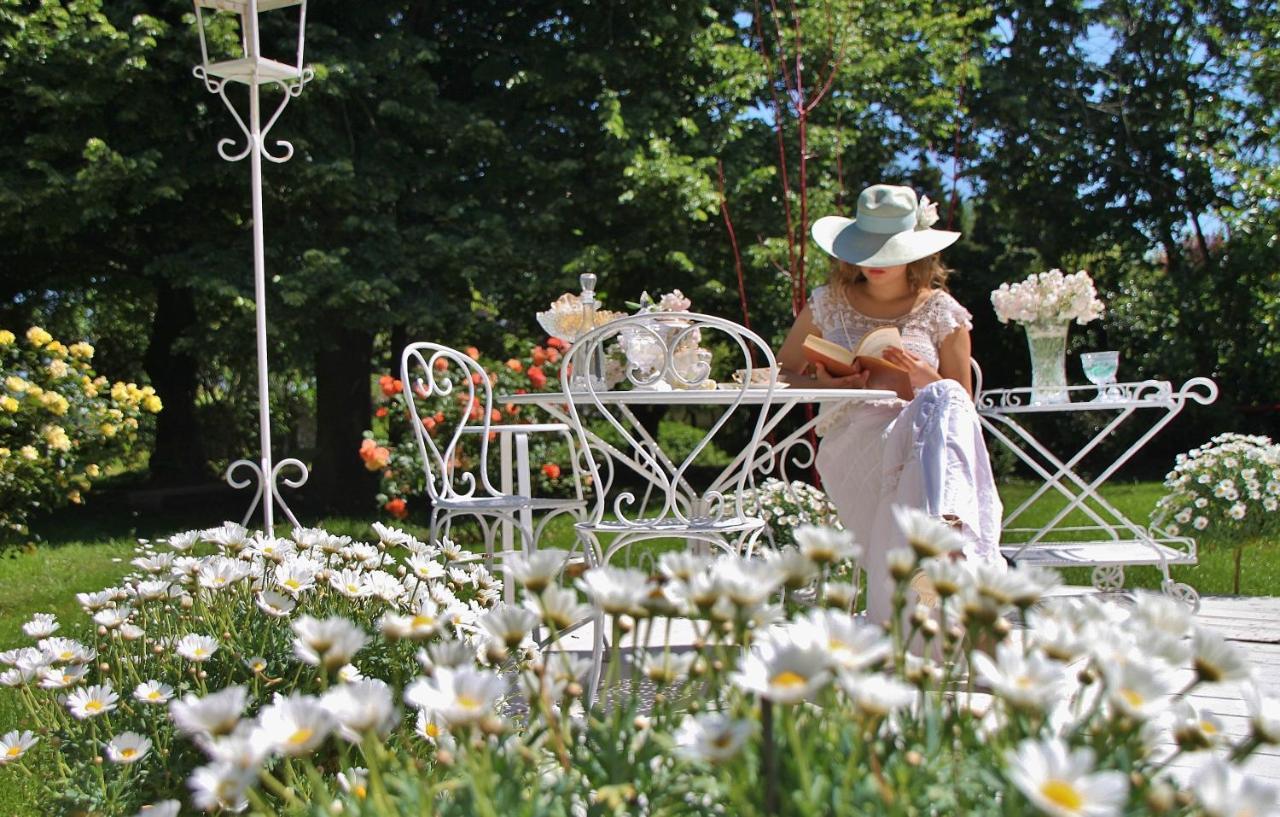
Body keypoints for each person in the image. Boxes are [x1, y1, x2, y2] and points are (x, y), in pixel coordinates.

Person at [777, 183, 1005, 625]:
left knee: (940, 399)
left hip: (924, 436)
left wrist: (925, 379)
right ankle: (951, 542)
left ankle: (934, 558)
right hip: (855, 436)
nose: (874, 262)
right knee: (929, 438)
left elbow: (962, 404)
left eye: (888, 250)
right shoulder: (828, 304)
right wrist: (834, 385)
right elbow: (781, 372)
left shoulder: (943, 311)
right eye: (866, 249)